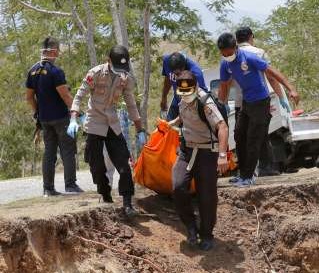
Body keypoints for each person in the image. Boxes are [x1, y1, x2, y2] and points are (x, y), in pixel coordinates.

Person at [67, 45, 146, 216]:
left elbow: (131, 104)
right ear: (108, 60)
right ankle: (105, 195)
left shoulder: (125, 78)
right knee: (96, 166)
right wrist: (73, 118)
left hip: (112, 123)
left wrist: (140, 130)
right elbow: (79, 95)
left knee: (124, 164)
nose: (119, 72)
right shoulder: (95, 73)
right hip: (94, 122)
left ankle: (127, 203)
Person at [217, 32, 299, 187]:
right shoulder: (225, 64)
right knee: (239, 136)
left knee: (253, 140)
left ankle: (248, 178)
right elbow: (224, 85)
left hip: (261, 102)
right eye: (223, 53)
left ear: (235, 47)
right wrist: (222, 104)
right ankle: (242, 173)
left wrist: (290, 89)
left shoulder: (249, 58)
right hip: (247, 102)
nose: (226, 55)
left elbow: (272, 73)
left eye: (228, 52)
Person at [169, 70, 229, 251]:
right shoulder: (182, 98)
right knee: (178, 186)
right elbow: (184, 115)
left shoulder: (205, 103)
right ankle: (190, 227)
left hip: (206, 153)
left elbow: (222, 127)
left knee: (207, 196)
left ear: (195, 87)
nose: (185, 96)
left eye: (189, 92)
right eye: (182, 93)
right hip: (187, 151)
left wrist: (222, 155)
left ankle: (207, 235)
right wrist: (173, 123)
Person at [25, 36, 83, 197]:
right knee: (67, 150)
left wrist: (38, 112)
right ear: (52, 51)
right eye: (57, 50)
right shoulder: (55, 71)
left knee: (49, 152)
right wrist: (78, 112)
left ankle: (48, 188)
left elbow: (29, 97)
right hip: (61, 118)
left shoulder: (32, 71)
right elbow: (65, 95)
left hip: (44, 119)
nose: (57, 53)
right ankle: (70, 185)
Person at [160, 52, 208, 120]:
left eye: (178, 74)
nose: (176, 76)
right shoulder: (167, 61)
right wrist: (164, 97)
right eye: (174, 73)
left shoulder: (196, 73)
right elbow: (168, 79)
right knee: (167, 125)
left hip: (194, 104)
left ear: (184, 67)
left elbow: (201, 99)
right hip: (177, 98)